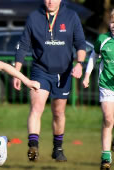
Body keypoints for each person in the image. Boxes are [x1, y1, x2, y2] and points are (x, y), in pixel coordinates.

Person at [13, 0, 86, 162]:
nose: (50, 1)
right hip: (40, 71)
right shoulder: (34, 17)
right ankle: (33, 146)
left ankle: (57, 149)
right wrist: (16, 72)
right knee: (36, 107)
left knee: (58, 112)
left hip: (64, 73)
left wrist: (80, 64)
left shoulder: (71, 16)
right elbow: (23, 45)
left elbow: (80, 43)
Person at [82, 9, 114, 170]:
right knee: (108, 119)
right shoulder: (103, 39)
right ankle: (105, 158)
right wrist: (87, 75)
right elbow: (94, 56)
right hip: (107, 86)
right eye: (112, 21)